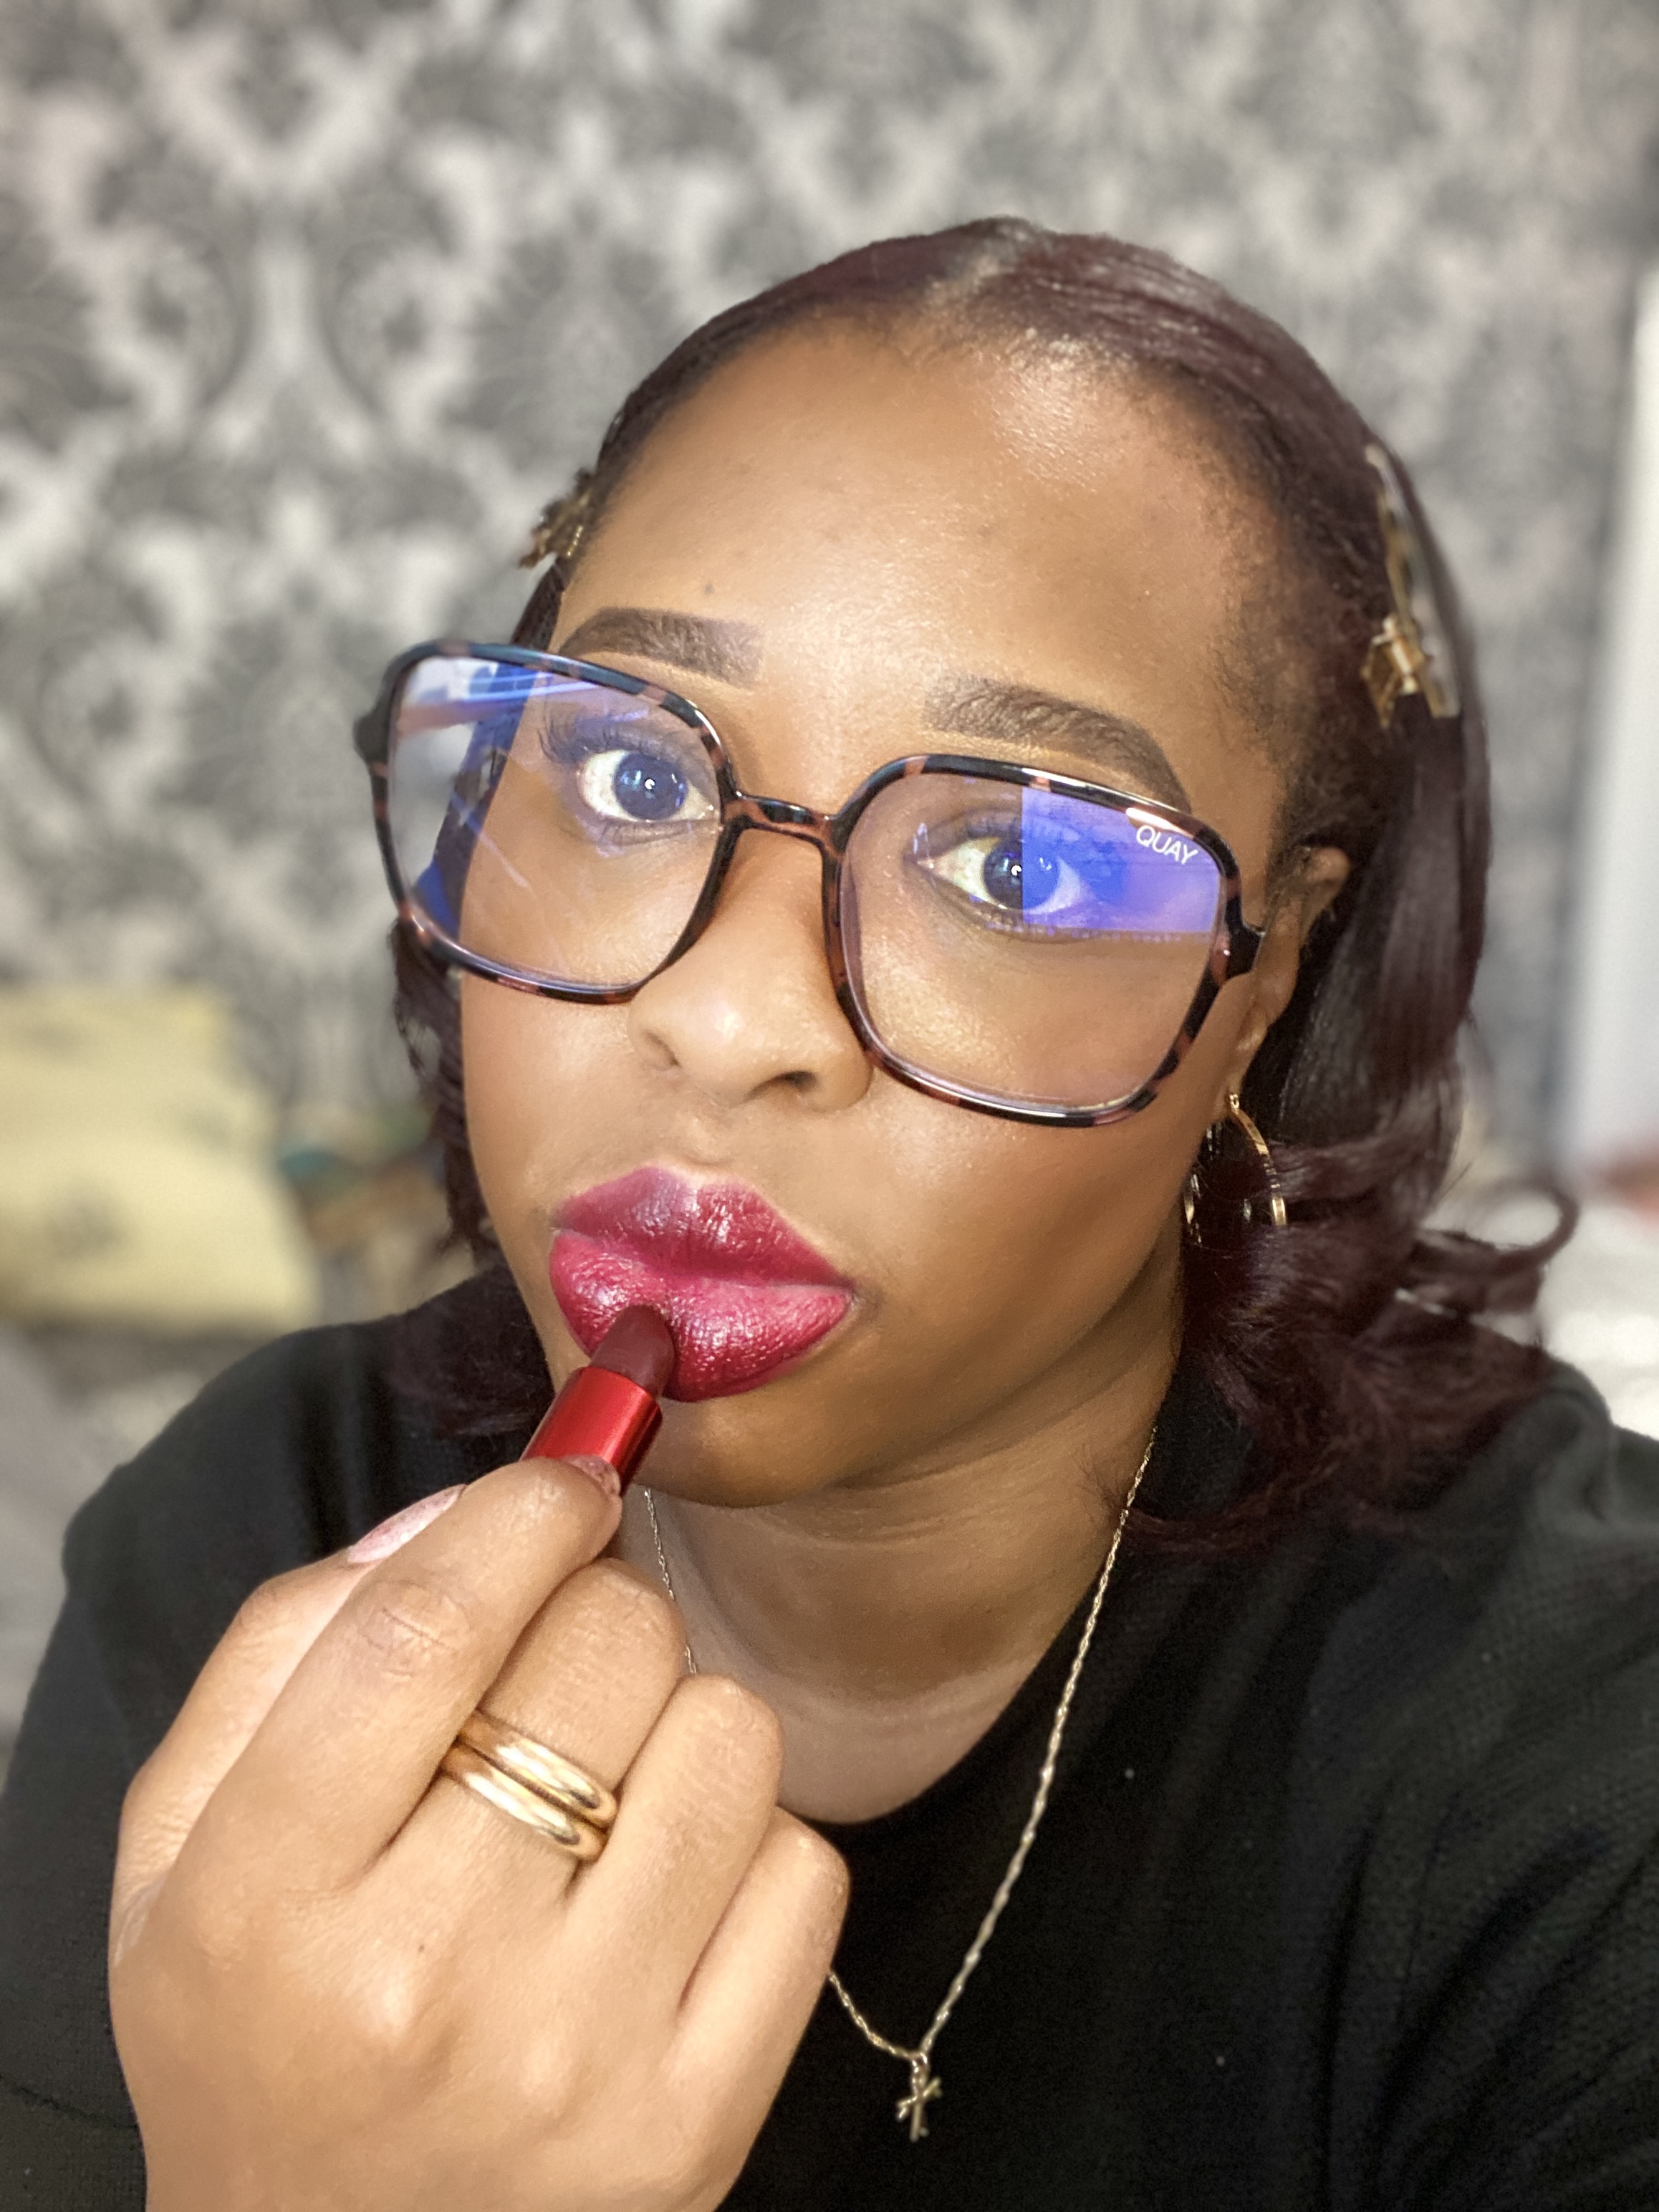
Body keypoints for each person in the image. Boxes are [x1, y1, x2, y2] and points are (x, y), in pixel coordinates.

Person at [1, 219, 1655, 2212]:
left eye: (1020, 870)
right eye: (626, 777)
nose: (728, 1021)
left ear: (1268, 978)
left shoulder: (1582, 1768)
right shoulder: (256, 1528)